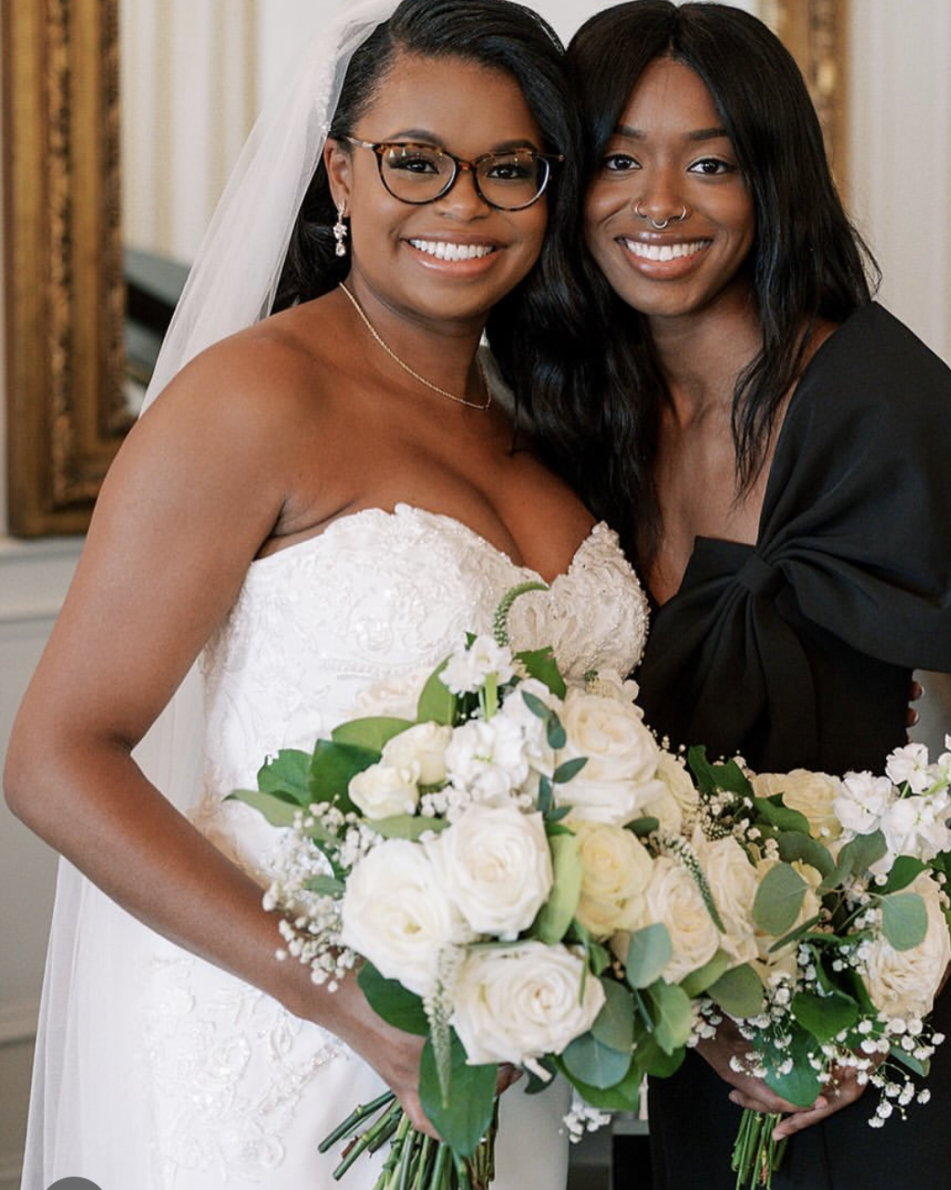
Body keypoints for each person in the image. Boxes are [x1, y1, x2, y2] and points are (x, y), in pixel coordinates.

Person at [3, 2, 649, 1187]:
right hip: (276, 1036)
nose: (462, 203)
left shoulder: (543, 421)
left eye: (508, 168)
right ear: (340, 174)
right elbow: (56, 758)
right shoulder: (252, 401)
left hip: (492, 1048)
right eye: (415, 161)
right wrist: (341, 995)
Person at [523, 3, 951, 1187]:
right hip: (703, 1048)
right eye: (620, 160)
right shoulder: (584, 418)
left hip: (894, 1056)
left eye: (710, 162)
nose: (659, 201)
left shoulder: (874, 401)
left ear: (770, 182)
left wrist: (888, 984)